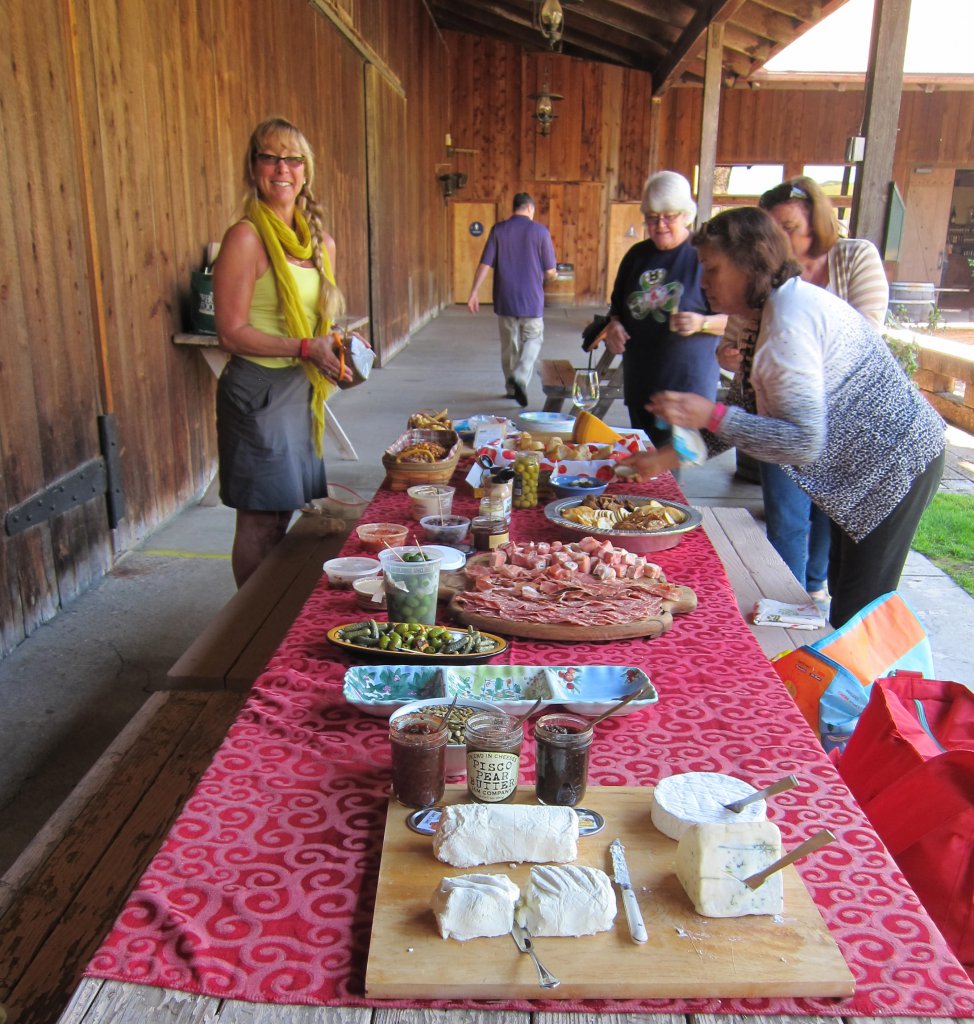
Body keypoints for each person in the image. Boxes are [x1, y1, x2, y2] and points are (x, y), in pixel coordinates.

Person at [619, 207, 945, 629]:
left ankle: (868, 692)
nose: (702, 283)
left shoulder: (789, 318)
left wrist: (712, 413)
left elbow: (802, 442)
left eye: (712, 269)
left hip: (893, 465)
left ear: (750, 264)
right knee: (847, 596)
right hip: (864, 468)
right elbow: (743, 412)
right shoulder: (763, 314)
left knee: (861, 615)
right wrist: (660, 459)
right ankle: (849, 686)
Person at [722, 176, 889, 609]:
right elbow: (740, 369)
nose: (783, 241)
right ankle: (788, 607)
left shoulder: (839, 268)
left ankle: (810, 602)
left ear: (816, 222)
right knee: (788, 520)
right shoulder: (766, 292)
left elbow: (866, 331)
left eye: (791, 228)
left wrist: (713, 416)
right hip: (790, 419)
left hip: (863, 439)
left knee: (847, 568)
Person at [213, 116, 355, 587]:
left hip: (299, 391)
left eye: (292, 159)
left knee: (284, 516)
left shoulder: (322, 244)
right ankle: (249, 627)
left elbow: (322, 322)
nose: (282, 168)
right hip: (257, 390)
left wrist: (339, 345)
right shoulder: (245, 238)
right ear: (253, 168)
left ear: (306, 170)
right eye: (269, 157)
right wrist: (303, 347)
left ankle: (271, 617)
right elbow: (230, 333)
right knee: (259, 519)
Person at [602, 171, 727, 448]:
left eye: (668, 216)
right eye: (652, 217)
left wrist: (701, 323)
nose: (659, 225)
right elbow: (617, 308)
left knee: (671, 463)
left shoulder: (703, 256)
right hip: (641, 384)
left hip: (687, 385)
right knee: (649, 457)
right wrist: (615, 325)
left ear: (686, 215)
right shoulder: (636, 256)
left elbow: (737, 322)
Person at [466, 192, 557, 407]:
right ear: (530, 208)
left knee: (509, 344)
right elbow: (551, 270)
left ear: (514, 207)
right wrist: (548, 277)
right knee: (534, 338)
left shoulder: (499, 230)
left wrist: (473, 292)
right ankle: (520, 377)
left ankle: (510, 387)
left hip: (505, 299)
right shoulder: (540, 231)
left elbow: (484, 265)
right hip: (532, 300)